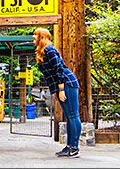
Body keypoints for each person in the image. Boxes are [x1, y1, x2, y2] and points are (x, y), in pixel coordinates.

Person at [33, 28, 81, 158]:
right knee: (69, 116)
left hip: (67, 83)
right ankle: (69, 147)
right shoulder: (44, 51)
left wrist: (60, 89)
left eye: (35, 35)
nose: (33, 37)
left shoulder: (49, 50)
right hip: (61, 85)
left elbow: (59, 69)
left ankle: (74, 148)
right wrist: (56, 90)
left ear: (41, 37)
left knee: (72, 115)